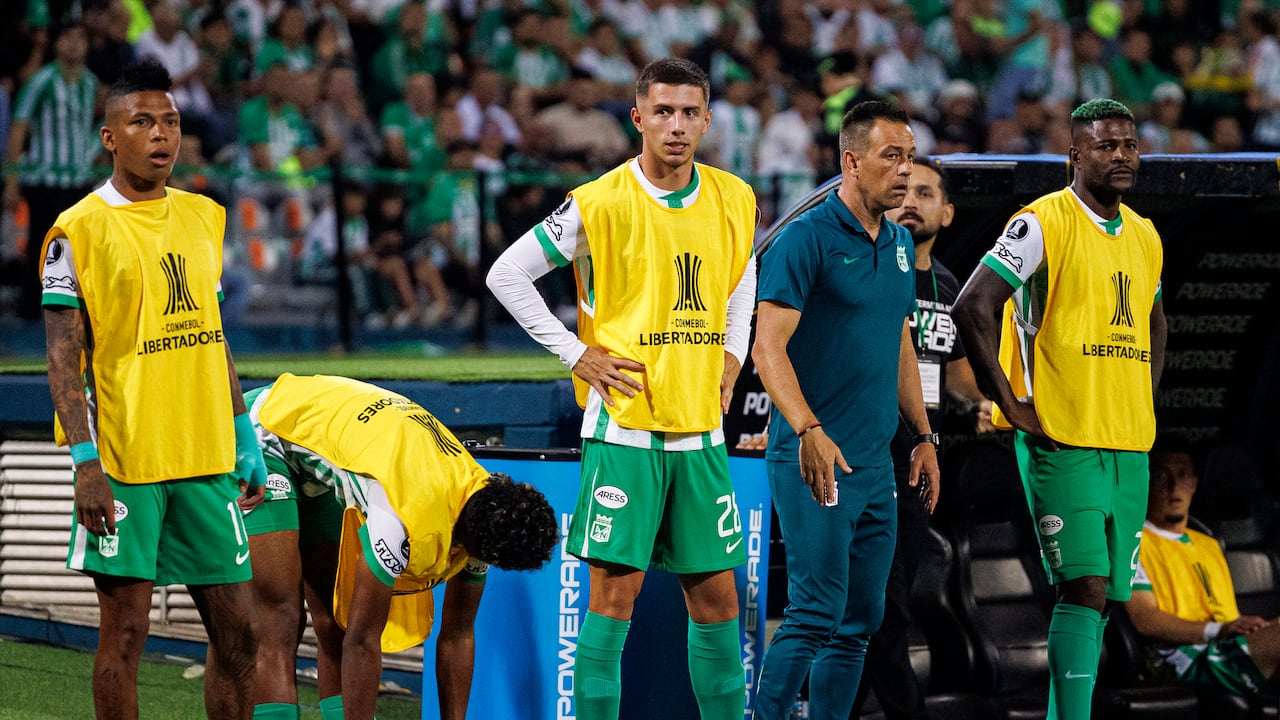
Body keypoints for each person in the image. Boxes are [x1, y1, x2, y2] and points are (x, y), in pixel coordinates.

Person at [487, 57, 755, 720]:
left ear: (707, 120)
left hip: (699, 432)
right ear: (637, 118)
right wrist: (576, 355)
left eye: (689, 112)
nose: (676, 125)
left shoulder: (735, 196)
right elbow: (506, 274)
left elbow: (743, 273)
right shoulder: (598, 202)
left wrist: (734, 350)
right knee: (612, 603)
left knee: (718, 603)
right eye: (662, 111)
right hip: (625, 432)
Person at [39, 60, 265, 720]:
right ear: (110, 137)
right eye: (142, 122)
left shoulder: (202, 216)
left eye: (169, 122)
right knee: (127, 634)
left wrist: (243, 428)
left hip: (206, 455)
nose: (161, 135)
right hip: (127, 461)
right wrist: (85, 464)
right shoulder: (76, 230)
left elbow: (211, 332)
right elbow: (61, 357)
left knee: (240, 635)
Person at [953, 98, 1168, 720]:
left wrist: (1143, 396)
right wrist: (1008, 401)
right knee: (1084, 586)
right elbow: (974, 304)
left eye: (1129, 144)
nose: (1122, 155)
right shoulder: (1043, 221)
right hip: (1063, 434)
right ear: (1075, 154)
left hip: (1128, 442)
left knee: (1103, 599)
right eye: (1105, 145)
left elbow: (1156, 324)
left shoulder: (1147, 234)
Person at [751, 100, 941, 720]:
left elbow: (900, 344)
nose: (906, 172)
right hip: (814, 459)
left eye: (910, 157)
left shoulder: (900, 243)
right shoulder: (806, 239)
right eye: (893, 156)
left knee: (860, 620)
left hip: (876, 467)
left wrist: (923, 434)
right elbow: (766, 346)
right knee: (813, 614)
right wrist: (806, 428)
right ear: (851, 162)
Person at [241, 373, 560, 720]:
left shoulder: (483, 504)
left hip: (327, 442)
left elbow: (456, 633)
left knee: (337, 622)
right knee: (281, 618)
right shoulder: (400, 518)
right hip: (268, 429)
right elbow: (364, 641)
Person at [850, 156, 993, 720]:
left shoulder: (950, 283)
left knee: (888, 601)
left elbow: (952, 372)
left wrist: (979, 404)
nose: (912, 202)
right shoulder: (872, 263)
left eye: (927, 193)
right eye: (904, 191)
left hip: (920, 462)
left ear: (948, 212)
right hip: (867, 452)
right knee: (878, 603)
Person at [1125, 442, 1280, 703]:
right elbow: (1145, 620)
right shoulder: (1133, 542)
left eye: (1183, 475)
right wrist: (1218, 630)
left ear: (1194, 483)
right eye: (1162, 475)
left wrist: (1249, 627)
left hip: (1226, 644)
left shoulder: (1208, 544)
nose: (1174, 486)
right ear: (1146, 481)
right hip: (1182, 657)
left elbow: (1225, 613)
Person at [5, 23, 98, 321]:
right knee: (45, 249)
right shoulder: (42, 80)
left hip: (79, 181)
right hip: (45, 180)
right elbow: (19, 127)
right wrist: (11, 179)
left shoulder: (90, 84)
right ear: (57, 45)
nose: (74, 44)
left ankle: (71, 316)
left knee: (79, 252)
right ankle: (32, 313)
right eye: (68, 37)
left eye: (80, 37)